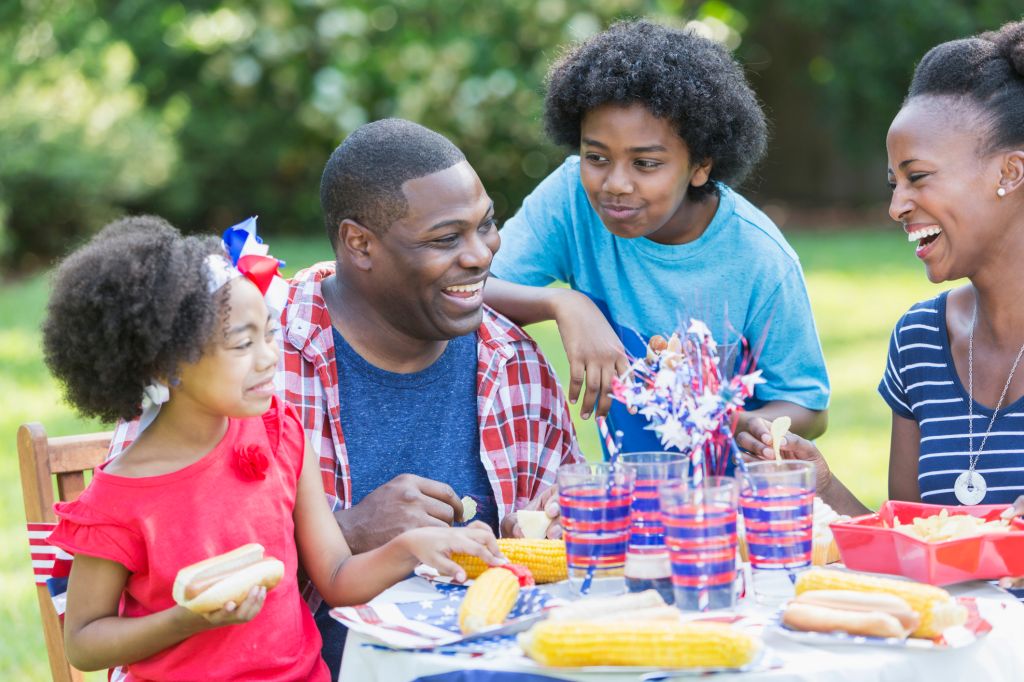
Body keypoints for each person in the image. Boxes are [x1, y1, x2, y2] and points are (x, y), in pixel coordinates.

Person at [106, 119, 583, 677]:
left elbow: (554, 547)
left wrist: (560, 531)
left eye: (486, 226)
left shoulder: (514, 363)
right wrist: (348, 532)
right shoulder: (241, 359)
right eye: (446, 238)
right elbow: (146, 583)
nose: (480, 256)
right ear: (360, 243)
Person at [41, 217, 503, 680]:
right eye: (243, 343)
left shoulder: (278, 432)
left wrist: (413, 547)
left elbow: (338, 576)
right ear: (165, 366)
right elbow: (83, 643)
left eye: (269, 332)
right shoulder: (119, 496)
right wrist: (184, 620)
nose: (268, 358)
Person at [484, 19, 830, 458]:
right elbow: (466, 291)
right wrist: (565, 303)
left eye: (645, 164)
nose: (615, 184)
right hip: (631, 492)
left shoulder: (758, 257)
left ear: (701, 165)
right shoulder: (571, 199)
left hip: (728, 507)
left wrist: (723, 420)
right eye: (596, 157)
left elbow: (809, 408)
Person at [739, 21, 1024, 534]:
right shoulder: (920, 340)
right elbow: (909, 550)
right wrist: (820, 485)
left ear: (1009, 173)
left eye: (918, 177)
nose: (897, 206)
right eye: (894, 183)